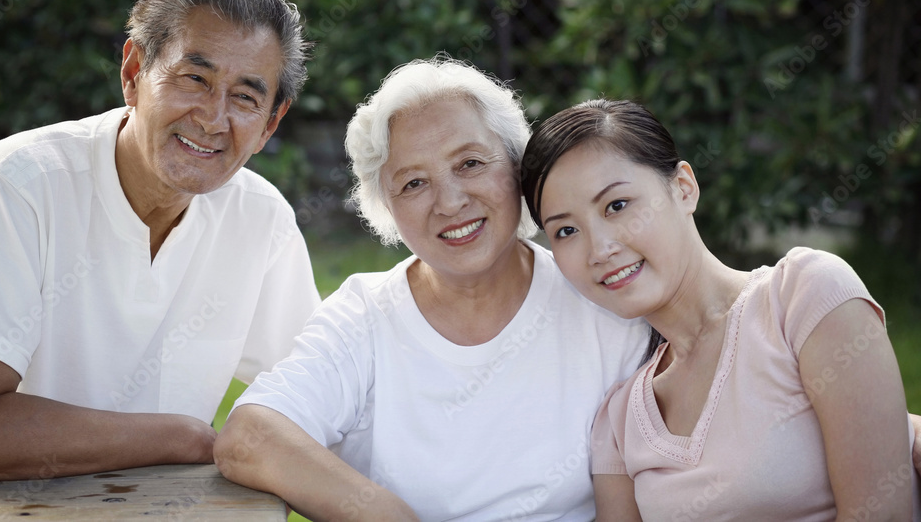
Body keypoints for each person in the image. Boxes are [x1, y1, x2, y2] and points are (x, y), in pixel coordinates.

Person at [0, 0, 320, 482]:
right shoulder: (21, 182)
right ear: (133, 74)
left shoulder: (261, 219)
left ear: (270, 123)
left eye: (245, 97)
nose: (212, 118)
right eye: (194, 78)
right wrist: (184, 438)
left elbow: (320, 399)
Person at [214, 57, 651, 520]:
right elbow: (249, 437)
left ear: (517, 166)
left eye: (470, 163)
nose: (450, 202)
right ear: (386, 205)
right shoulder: (362, 317)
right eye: (414, 182)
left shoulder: (600, 301)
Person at [520, 98, 920, 521]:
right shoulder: (618, 422)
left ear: (683, 188)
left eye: (617, 205)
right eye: (566, 230)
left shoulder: (802, 297)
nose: (600, 249)